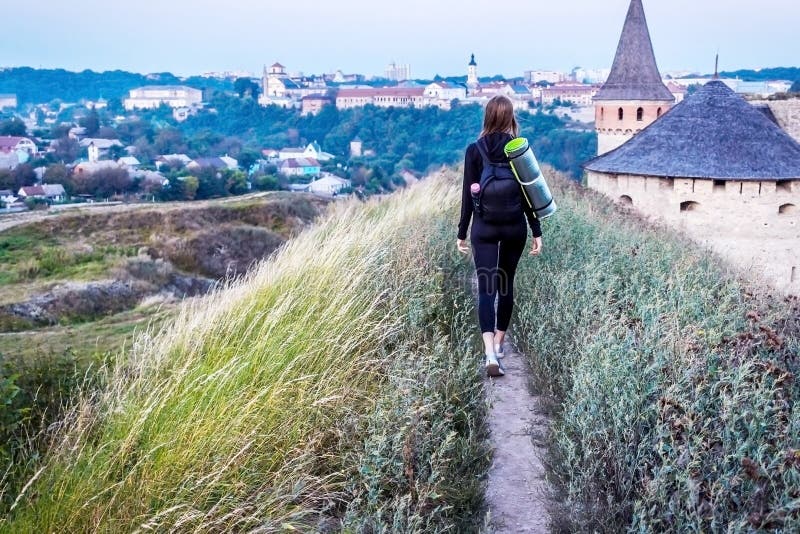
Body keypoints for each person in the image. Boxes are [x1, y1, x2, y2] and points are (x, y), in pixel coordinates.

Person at [457, 95, 543, 377]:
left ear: (487, 117)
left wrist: (462, 233)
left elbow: (468, 196)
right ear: (510, 118)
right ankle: (499, 342)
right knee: (506, 284)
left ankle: (489, 354)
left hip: (484, 228)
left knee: (487, 289)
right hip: (514, 226)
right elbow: (530, 192)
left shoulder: (474, 150)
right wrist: (536, 230)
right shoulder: (519, 150)